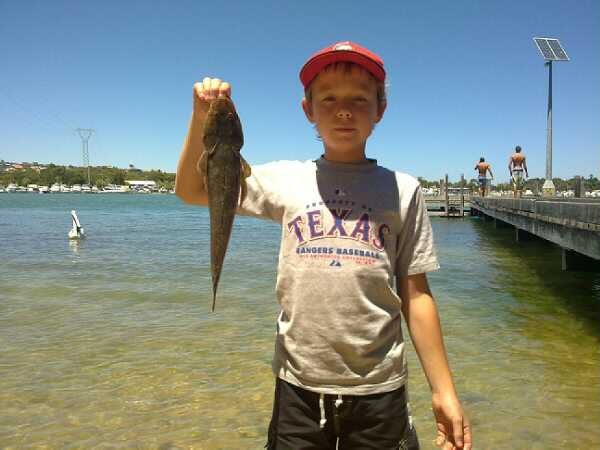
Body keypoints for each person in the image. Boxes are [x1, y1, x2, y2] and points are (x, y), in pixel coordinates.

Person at [176, 41, 471, 450]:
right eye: (328, 99)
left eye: (359, 99)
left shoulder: (404, 190)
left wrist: (444, 391)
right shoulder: (286, 180)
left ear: (380, 109)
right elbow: (192, 190)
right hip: (298, 387)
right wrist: (201, 115)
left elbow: (417, 295)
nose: (344, 110)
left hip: (380, 390)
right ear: (308, 110)